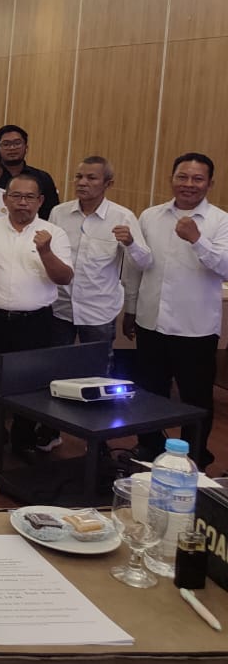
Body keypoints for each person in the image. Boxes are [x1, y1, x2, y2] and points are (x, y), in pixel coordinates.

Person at [0, 173, 73, 466]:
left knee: (31, 385)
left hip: (35, 322)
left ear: (40, 201)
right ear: (6, 198)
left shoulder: (54, 233)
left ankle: (23, 439)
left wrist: (45, 251)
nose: (22, 202)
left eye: (29, 197)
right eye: (16, 196)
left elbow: (64, 277)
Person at [128, 152, 228, 468]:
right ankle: (148, 448)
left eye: (197, 178)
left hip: (195, 328)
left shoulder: (220, 221)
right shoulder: (150, 216)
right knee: (149, 392)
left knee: (196, 399)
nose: (188, 184)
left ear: (210, 183)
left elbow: (225, 267)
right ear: (171, 179)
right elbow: (139, 266)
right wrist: (130, 308)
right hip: (151, 321)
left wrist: (197, 240)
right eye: (182, 177)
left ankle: (193, 458)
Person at [48, 157, 150, 355]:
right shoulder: (59, 213)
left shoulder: (123, 217)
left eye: (91, 178)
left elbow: (144, 262)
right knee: (55, 364)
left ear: (108, 184)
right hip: (60, 308)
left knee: (97, 367)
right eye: (78, 176)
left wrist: (131, 243)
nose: (82, 182)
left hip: (98, 311)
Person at [0, 124, 60, 219]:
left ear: (26, 147)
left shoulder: (42, 178)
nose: (12, 148)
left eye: (17, 143)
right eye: (6, 144)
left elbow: (51, 213)